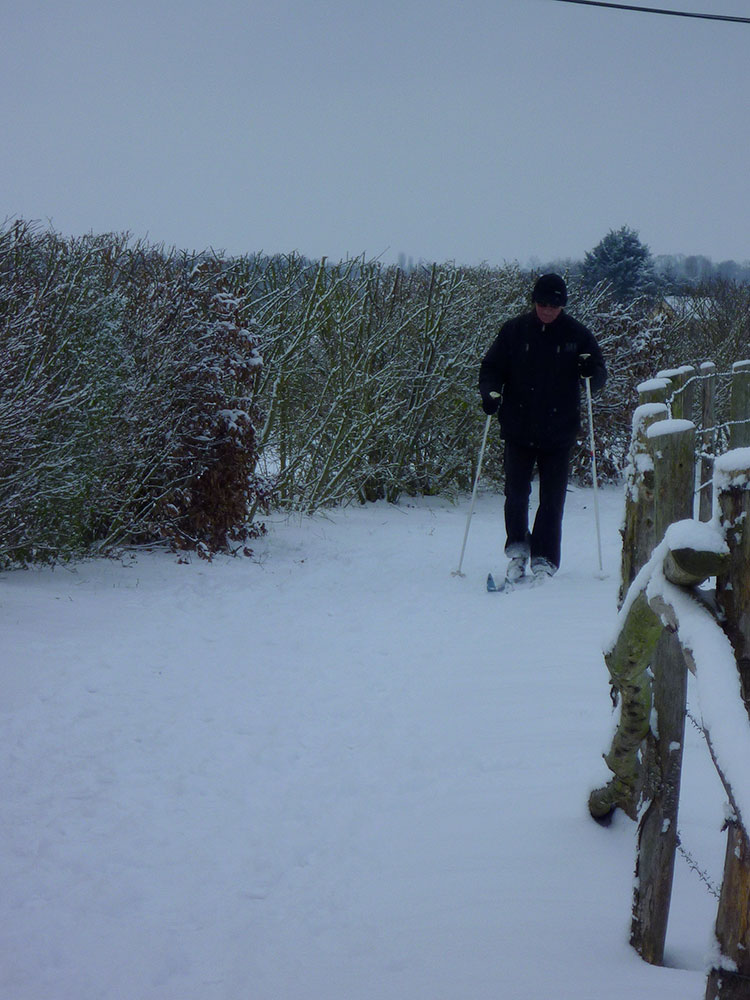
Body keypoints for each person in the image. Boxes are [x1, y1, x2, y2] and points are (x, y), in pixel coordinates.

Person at [478, 273, 607, 585]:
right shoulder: (514, 331)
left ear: (562, 305)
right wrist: (490, 392)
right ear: (534, 302)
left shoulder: (577, 335)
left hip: (559, 430)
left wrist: (591, 372)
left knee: (552, 498)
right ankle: (518, 551)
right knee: (516, 493)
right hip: (518, 427)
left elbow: (599, 377)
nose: (548, 310)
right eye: (542, 303)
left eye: (554, 305)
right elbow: (491, 367)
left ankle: (545, 559)